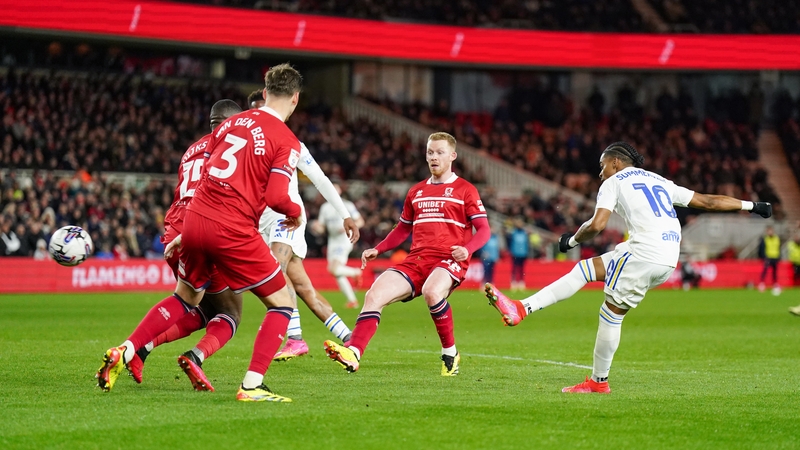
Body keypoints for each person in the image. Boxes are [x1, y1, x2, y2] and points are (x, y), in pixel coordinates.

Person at [484, 141, 772, 394]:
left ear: (616, 162)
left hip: (644, 253)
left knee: (610, 314)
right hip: (668, 256)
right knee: (585, 271)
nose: (600, 173)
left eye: (602, 166)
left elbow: (597, 225)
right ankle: (521, 309)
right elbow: (707, 201)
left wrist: (570, 240)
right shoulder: (659, 181)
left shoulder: (614, 181)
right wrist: (753, 205)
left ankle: (598, 382)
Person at [96, 63, 305, 402]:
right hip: (232, 227)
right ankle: (252, 385)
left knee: (186, 298)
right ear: (295, 99)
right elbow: (277, 197)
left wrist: (186, 232)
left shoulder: (230, 125)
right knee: (280, 303)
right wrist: (295, 213)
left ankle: (130, 349)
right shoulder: (286, 138)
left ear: (264, 93)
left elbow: (203, 179)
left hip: (194, 220)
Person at [323, 132, 490, 376]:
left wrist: (468, 249)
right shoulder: (416, 191)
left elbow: (484, 229)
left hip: (449, 259)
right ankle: (354, 352)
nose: (434, 157)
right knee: (374, 294)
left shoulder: (465, 189)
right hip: (416, 261)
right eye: (430, 152)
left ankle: (450, 352)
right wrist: (378, 249)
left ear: (452, 156)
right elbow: (403, 229)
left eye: (440, 152)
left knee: (432, 292)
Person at [123, 99, 244, 393]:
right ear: (234, 122)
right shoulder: (234, 147)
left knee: (201, 306)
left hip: (175, 229)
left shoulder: (191, 149)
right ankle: (194, 356)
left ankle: (140, 350)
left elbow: (182, 192)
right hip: (204, 229)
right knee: (230, 312)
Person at [261, 146, 361, 361]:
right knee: (304, 287)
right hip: (260, 220)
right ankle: (351, 339)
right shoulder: (245, 137)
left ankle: (295, 338)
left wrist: (345, 215)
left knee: (276, 269)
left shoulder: (289, 141)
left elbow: (320, 179)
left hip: (286, 214)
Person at [313, 183, 365, 309]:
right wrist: (317, 227)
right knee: (337, 272)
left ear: (340, 192)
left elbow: (360, 221)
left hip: (345, 240)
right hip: (332, 241)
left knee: (333, 268)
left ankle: (355, 272)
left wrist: (350, 227)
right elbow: (321, 227)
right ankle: (352, 301)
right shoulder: (325, 208)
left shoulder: (347, 205)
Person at [758, 226, 781, 295]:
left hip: (775, 257)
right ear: (767, 232)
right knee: (765, 271)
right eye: (769, 231)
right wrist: (763, 257)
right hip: (768, 257)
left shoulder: (777, 238)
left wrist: (779, 257)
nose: (770, 232)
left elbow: (778, 248)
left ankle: (775, 284)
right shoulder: (765, 239)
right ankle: (762, 284)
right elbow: (761, 249)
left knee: (775, 272)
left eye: (771, 231)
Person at [507, 218, 528, 290]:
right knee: (514, 268)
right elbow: (510, 243)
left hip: (522, 253)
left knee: (521, 269)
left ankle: (521, 282)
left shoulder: (524, 233)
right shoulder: (513, 233)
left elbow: (526, 244)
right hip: (515, 253)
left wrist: (526, 252)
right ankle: (513, 282)